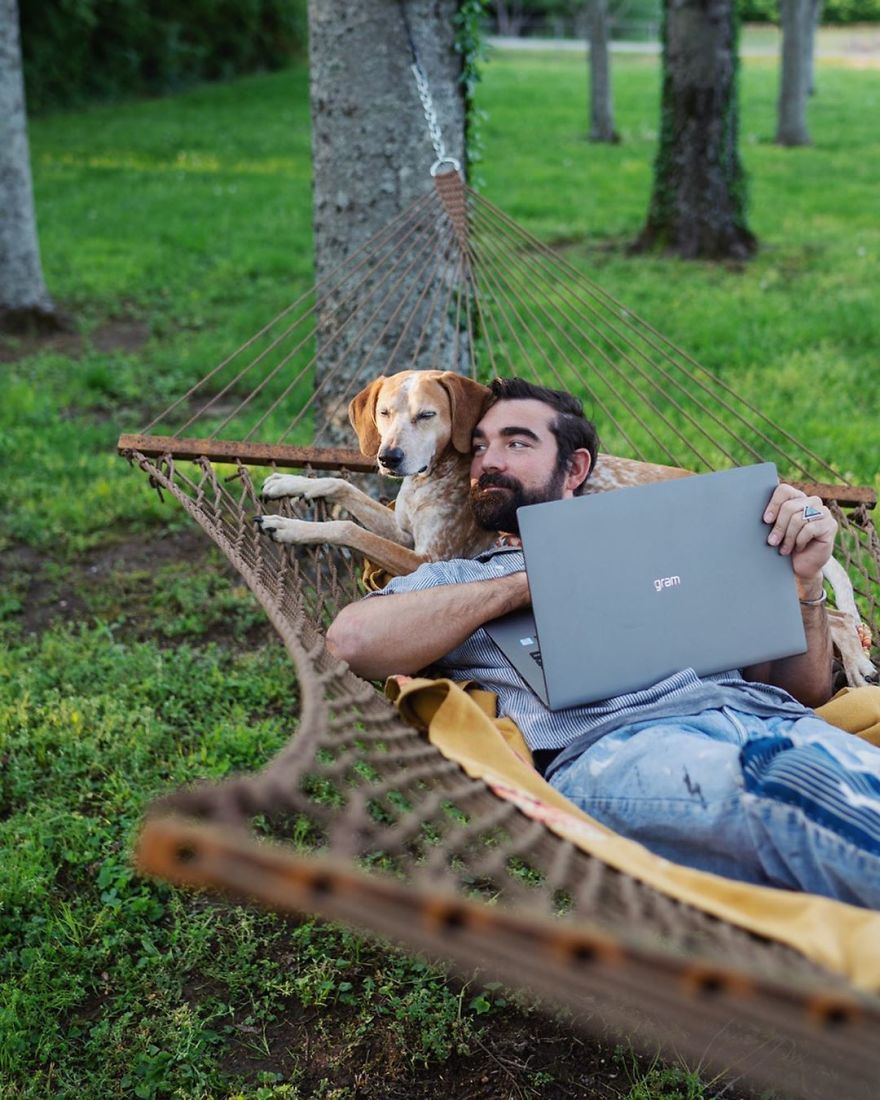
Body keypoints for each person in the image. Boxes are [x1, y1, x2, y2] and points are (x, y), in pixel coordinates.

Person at [327, 378, 880, 909]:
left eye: (516, 443)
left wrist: (804, 585)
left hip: (772, 721)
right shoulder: (457, 578)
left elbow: (805, 694)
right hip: (622, 746)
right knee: (792, 801)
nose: (488, 460)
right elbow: (352, 640)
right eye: (478, 447)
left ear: (575, 468)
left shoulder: (679, 551)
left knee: (821, 788)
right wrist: (527, 583)